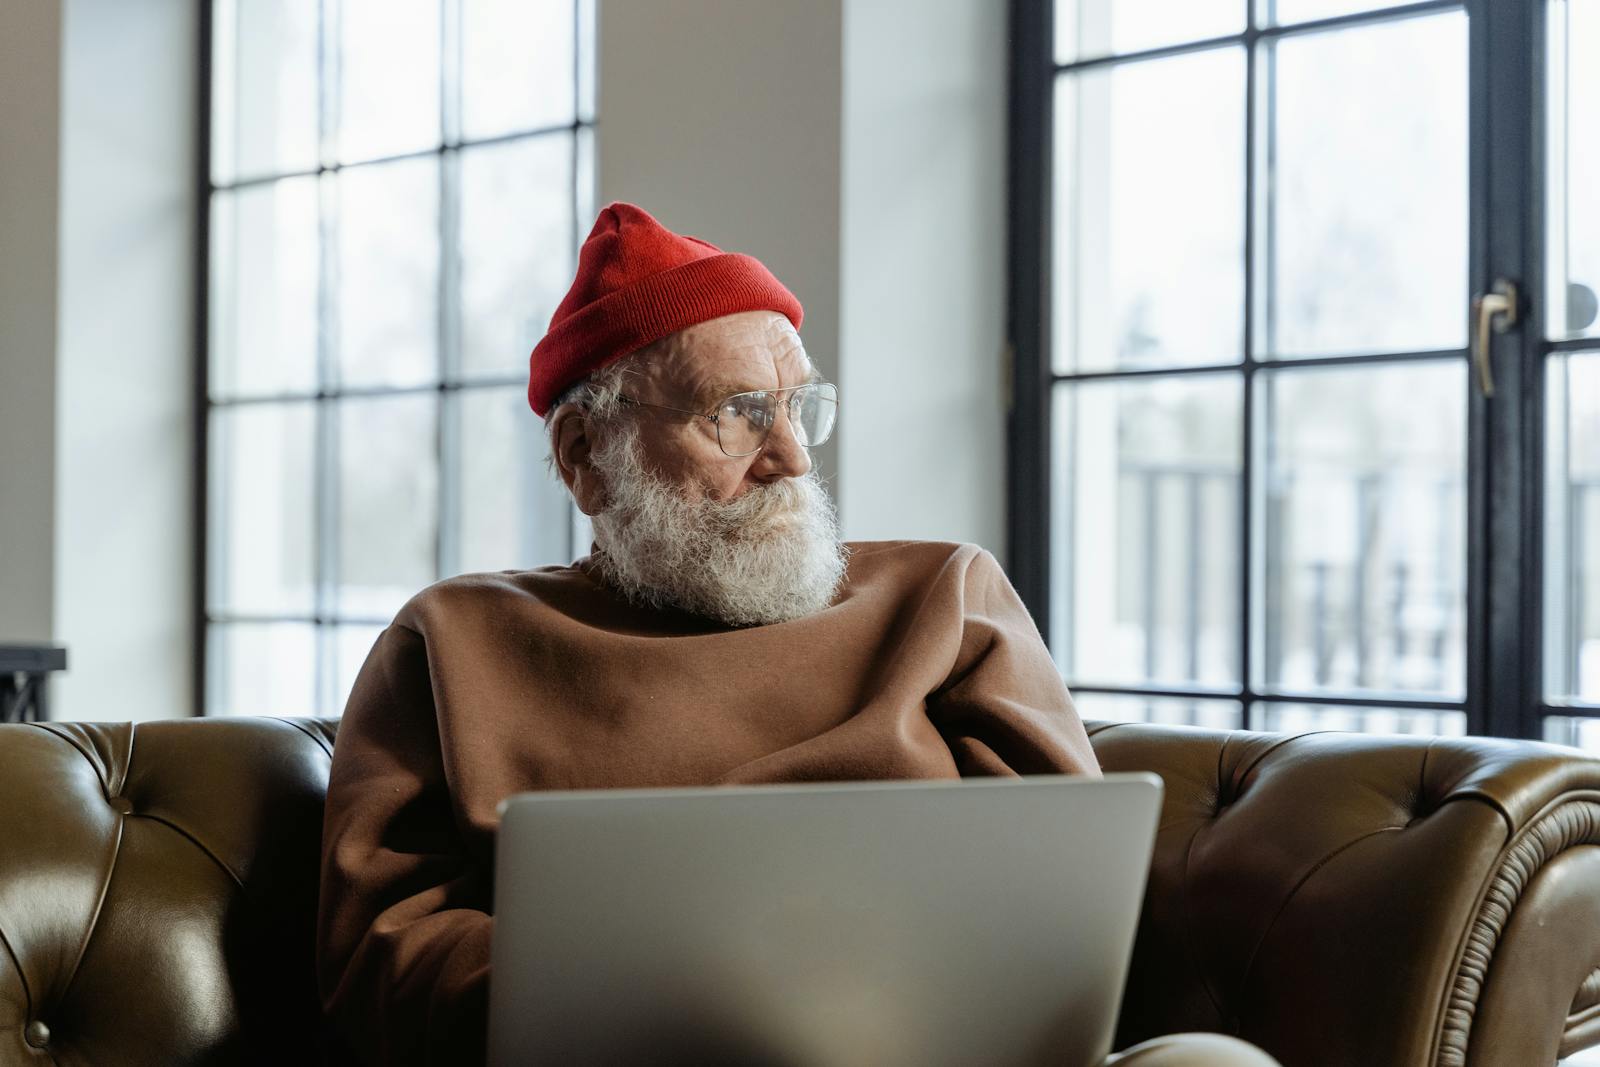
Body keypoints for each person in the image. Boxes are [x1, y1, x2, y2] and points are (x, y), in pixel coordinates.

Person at [316, 203, 1278, 1067]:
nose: (792, 455)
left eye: (799, 405)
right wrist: (658, 1003)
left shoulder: (943, 594)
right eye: (737, 414)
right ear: (585, 457)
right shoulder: (453, 640)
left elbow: (1084, 898)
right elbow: (381, 957)